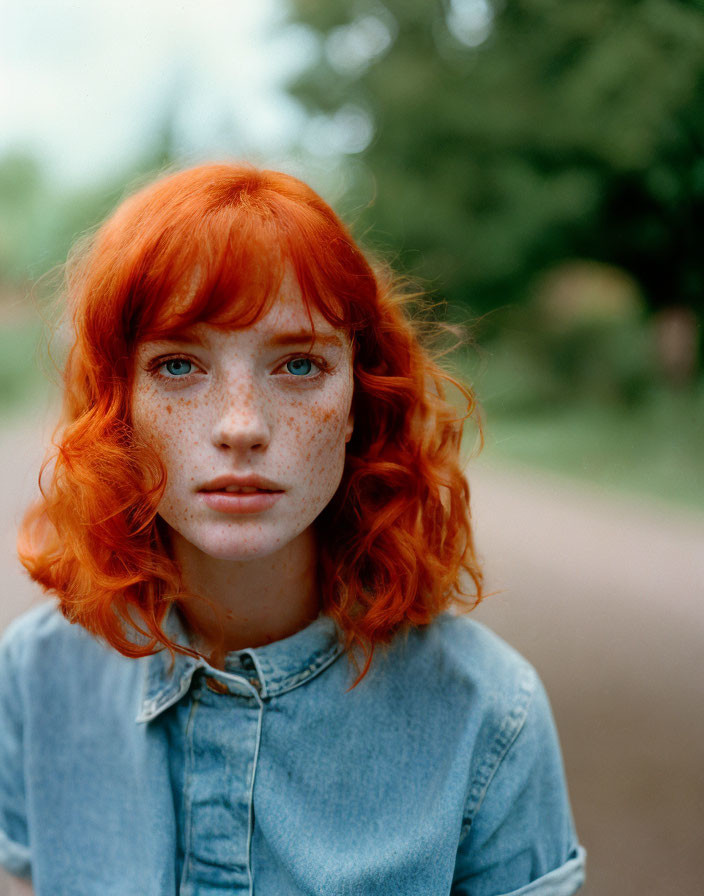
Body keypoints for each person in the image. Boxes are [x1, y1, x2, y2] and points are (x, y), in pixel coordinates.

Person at [0, 163, 586, 895]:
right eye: (179, 365)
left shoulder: (490, 718)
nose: (241, 425)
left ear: (356, 403)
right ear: (119, 411)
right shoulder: (35, 678)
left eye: (300, 364)